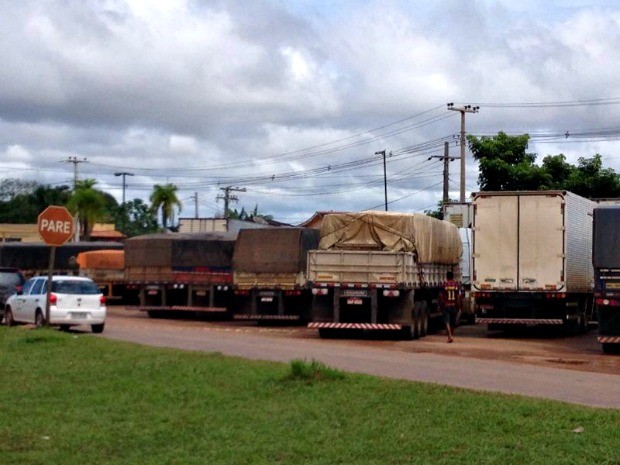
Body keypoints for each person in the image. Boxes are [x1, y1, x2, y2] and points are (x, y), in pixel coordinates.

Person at [440, 271, 461, 343]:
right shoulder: (456, 285)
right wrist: (458, 306)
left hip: (447, 305)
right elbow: (458, 297)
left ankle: (449, 336)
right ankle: (451, 335)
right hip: (454, 305)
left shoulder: (444, 285)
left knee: (447, 322)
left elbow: (441, 296)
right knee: (453, 322)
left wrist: (441, 304)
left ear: (446, 277)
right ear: (453, 277)